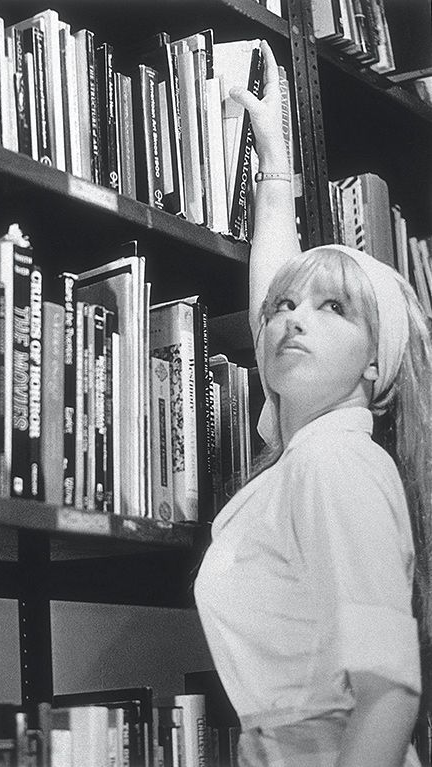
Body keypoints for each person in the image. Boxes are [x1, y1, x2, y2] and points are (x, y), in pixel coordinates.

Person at [194, 40, 432, 767]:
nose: (294, 319)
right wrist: (272, 163)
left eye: (335, 309)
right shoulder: (308, 447)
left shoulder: (334, 462)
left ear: (375, 368)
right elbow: (278, 290)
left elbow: (389, 693)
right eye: (283, 309)